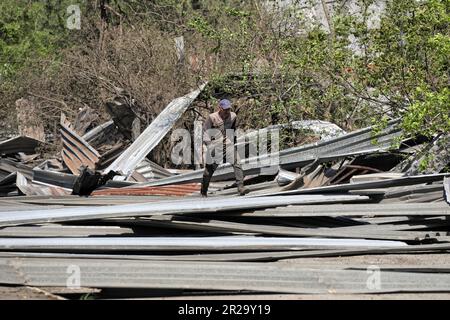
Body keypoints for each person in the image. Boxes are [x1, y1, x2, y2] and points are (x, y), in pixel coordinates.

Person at [201, 99, 249, 197]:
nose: (227, 111)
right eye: (225, 109)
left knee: (237, 163)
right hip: (215, 145)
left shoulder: (233, 116)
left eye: (229, 109)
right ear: (220, 108)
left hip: (227, 143)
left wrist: (232, 141)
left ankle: (240, 188)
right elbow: (205, 133)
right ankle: (203, 191)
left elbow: (233, 128)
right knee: (209, 171)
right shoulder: (212, 117)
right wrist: (210, 146)